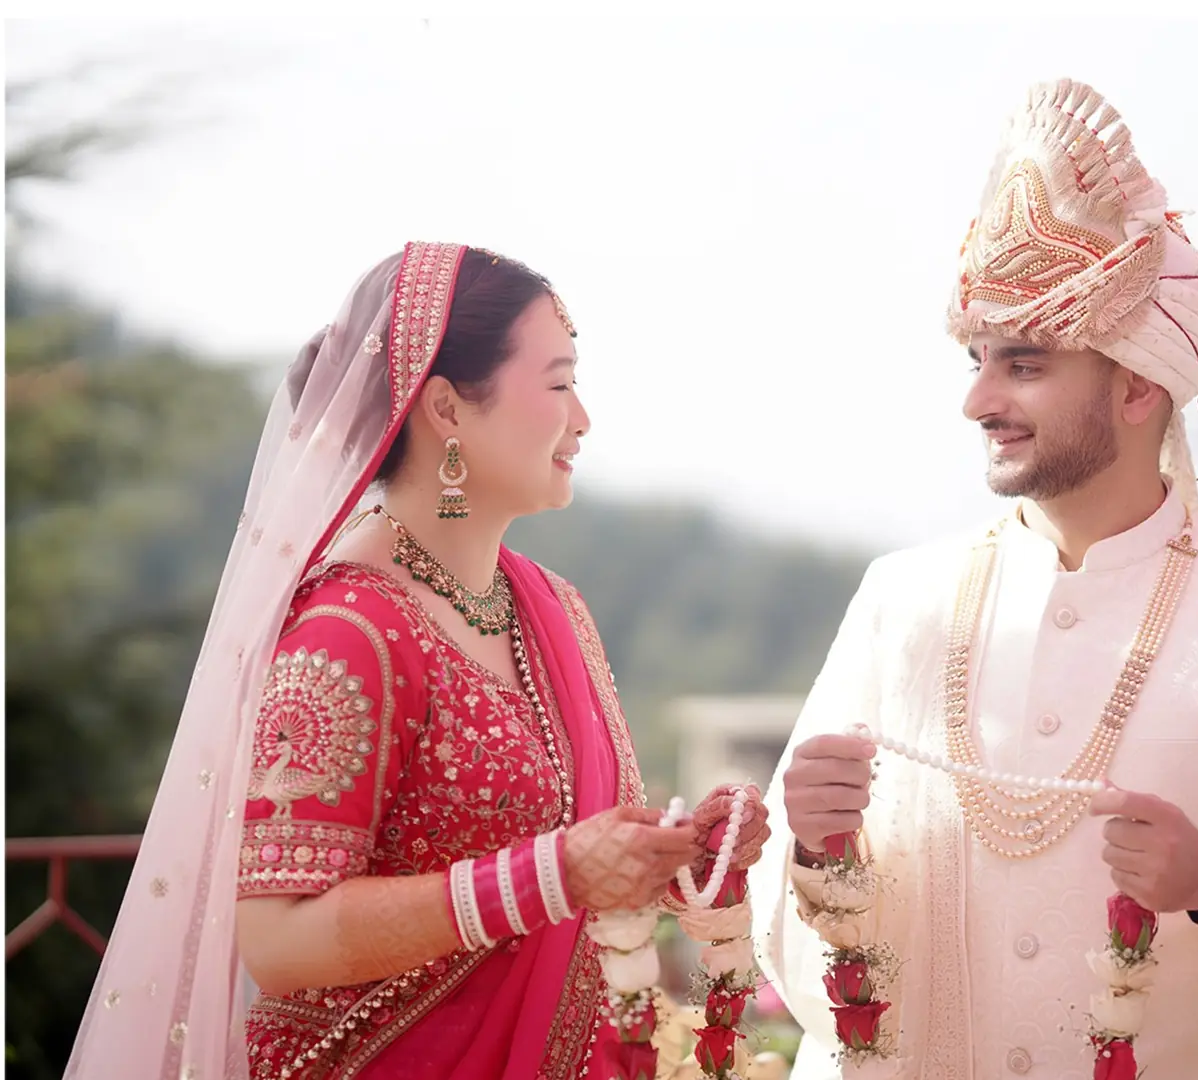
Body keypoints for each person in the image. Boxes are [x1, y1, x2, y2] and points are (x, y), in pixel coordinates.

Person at [752, 80, 1198, 1079]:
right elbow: (796, 916)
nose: (978, 400)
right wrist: (811, 847)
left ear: (1139, 385)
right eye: (977, 362)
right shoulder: (902, 599)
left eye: (1023, 365)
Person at [66, 242, 769, 1080]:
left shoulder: (554, 609)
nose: (583, 418)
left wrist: (682, 854)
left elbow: (574, 882)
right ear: (445, 407)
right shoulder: (347, 633)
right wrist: (552, 874)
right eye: (558, 384)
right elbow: (280, 936)